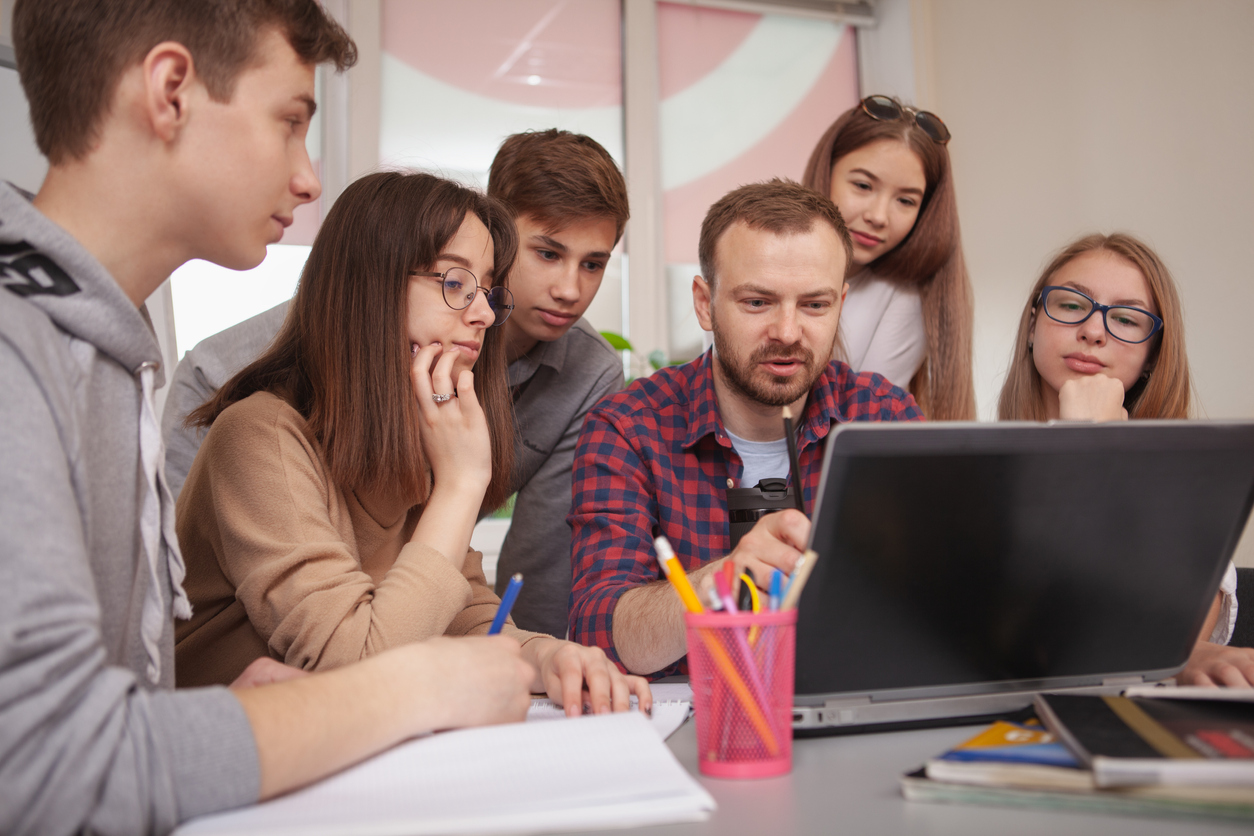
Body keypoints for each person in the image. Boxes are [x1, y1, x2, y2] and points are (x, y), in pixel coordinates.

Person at [0, 3, 539, 835]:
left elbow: (108, 713)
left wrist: (229, 721)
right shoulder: (20, 352)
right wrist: (415, 686)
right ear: (170, 90)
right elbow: (55, 764)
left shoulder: (106, 351)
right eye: (290, 121)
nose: (309, 178)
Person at [174, 170, 650, 714]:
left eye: (488, 291)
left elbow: (462, 611)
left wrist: (545, 658)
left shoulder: (416, 435)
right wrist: (460, 485)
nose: (486, 314)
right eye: (454, 284)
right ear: (371, 286)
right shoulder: (260, 437)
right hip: (228, 770)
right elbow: (354, 671)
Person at [568, 179, 924, 678]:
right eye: (757, 302)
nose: (787, 331)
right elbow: (600, 633)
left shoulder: (882, 417)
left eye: (815, 305)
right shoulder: (628, 429)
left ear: (840, 303)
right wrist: (721, 582)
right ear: (703, 302)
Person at [997, 232, 1250, 687]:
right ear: (1033, 324)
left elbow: (1177, 627)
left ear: (1152, 356)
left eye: (1127, 319)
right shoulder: (968, 465)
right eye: (1072, 304)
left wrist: (1091, 442)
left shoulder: (1185, 481)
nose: (1093, 331)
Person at [802, 94, 975, 420]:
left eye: (906, 201)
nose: (879, 216)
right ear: (826, 172)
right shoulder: (754, 265)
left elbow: (865, 421)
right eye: (864, 185)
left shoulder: (906, 298)